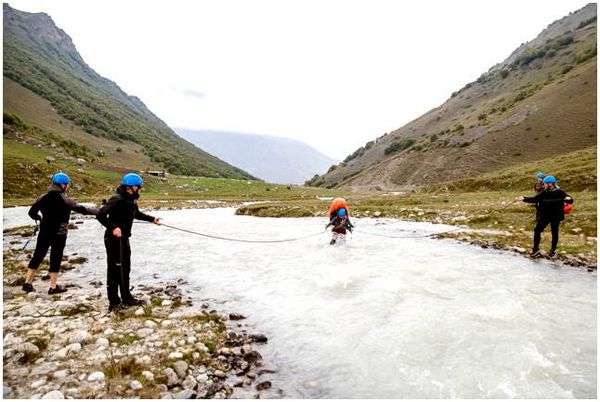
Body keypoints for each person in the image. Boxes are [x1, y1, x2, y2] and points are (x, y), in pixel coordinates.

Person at [23, 172, 98, 294]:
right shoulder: (65, 199)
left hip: (44, 232)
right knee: (56, 257)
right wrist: (99, 211)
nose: (68, 186)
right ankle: (53, 287)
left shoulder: (43, 197)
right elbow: (82, 209)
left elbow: (31, 213)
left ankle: (27, 283)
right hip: (59, 233)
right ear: (63, 185)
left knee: (38, 255)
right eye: (67, 184)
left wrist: (39, 218)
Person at [96, 173, 160, 311]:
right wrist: (113, 227)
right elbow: (100, 214)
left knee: (125, 268)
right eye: (139, 187)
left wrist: (152, 219)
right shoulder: (116, 199)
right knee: (114, 270)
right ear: (131, 187)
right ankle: (114, 303)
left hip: (124, 239)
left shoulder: (131, 200)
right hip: (113, 239)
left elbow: (137, 214)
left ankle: (127, 297)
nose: (140, 190)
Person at [517, 175, 574, 258]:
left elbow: (571, 200)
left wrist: (566, 198)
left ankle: (552, 251)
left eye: (545, 184)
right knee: (537, 230)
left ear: (551, 183)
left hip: (556, 216)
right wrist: (523, 198)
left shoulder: (561, 192)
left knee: (554, 232)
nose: (544, 185)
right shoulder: (544, 192)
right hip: (545, 216)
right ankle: (536, 250)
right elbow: (535, 199)